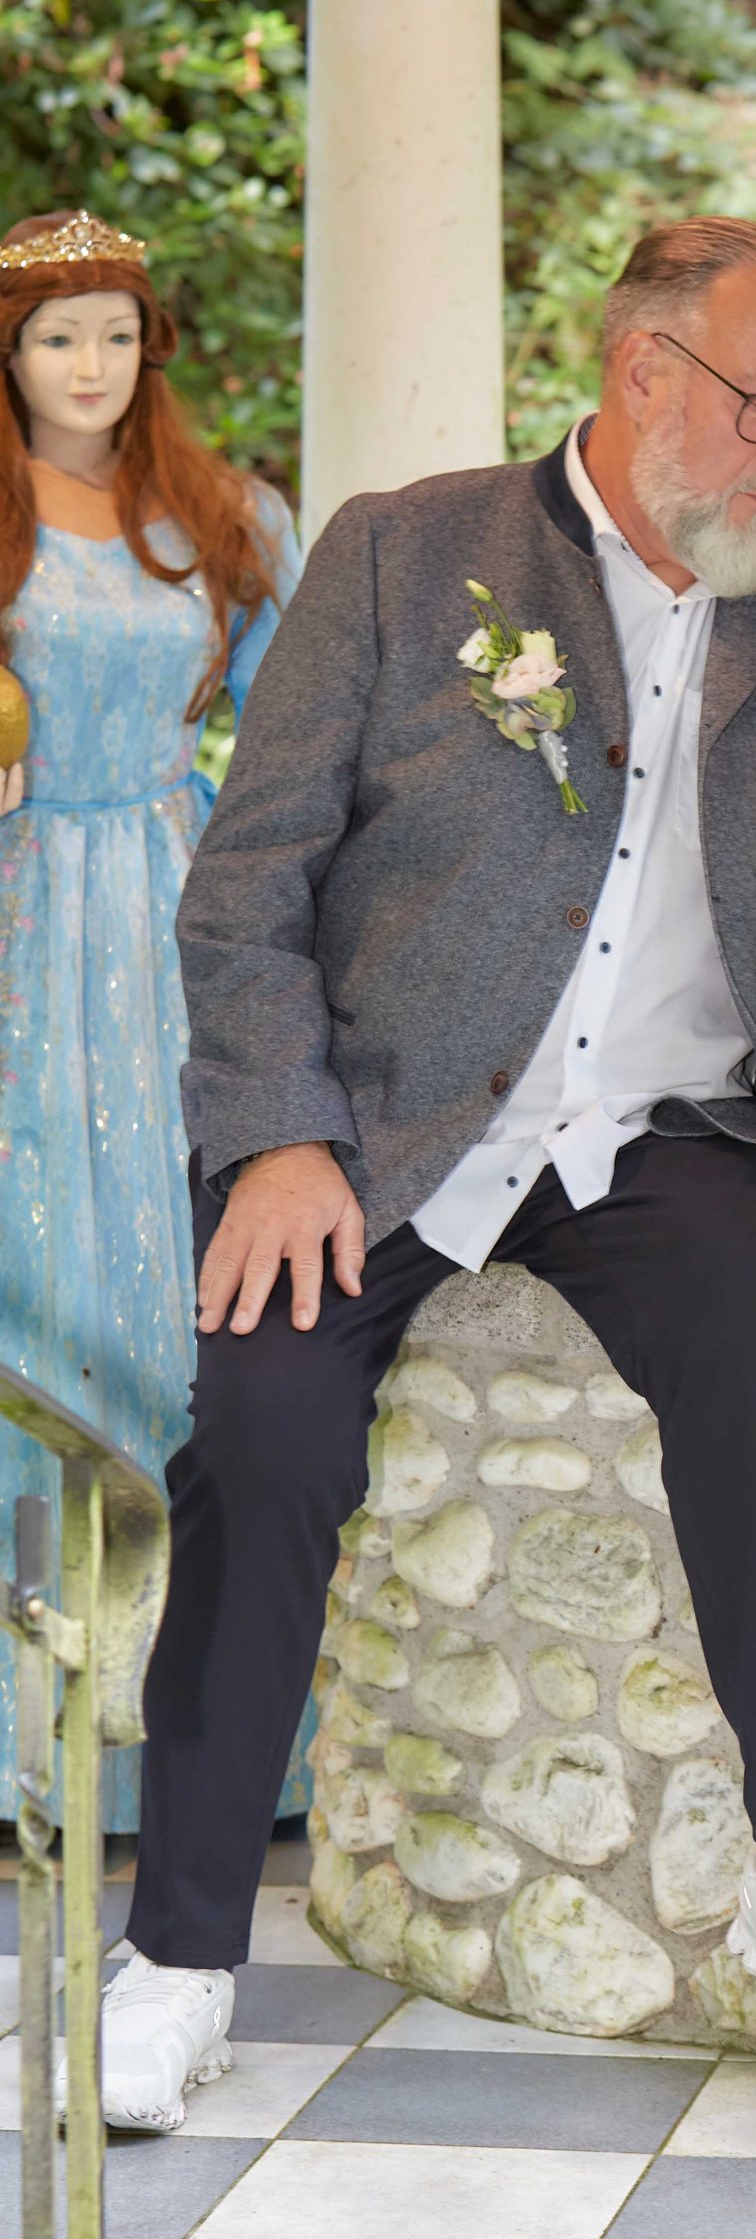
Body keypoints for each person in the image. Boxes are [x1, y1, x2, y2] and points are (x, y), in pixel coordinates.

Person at [96, 216, 756, 2133]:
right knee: (266, 1441)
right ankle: (182, 1958)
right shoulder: (405, 552)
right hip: (384, 1124)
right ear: (645, 374)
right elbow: (246, 881)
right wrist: (279, 1136)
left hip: (661, 1134)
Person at [0, 208, 306, 1834]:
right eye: (58, 337)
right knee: (33, 1279)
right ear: (10, 355)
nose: (91, 365)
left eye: (115, 335)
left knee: (177, 1295)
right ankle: (22, 1746)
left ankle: (199, 1746)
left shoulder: (223, 516)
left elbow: (302, 741)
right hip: (16, 910)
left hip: (179, 915)